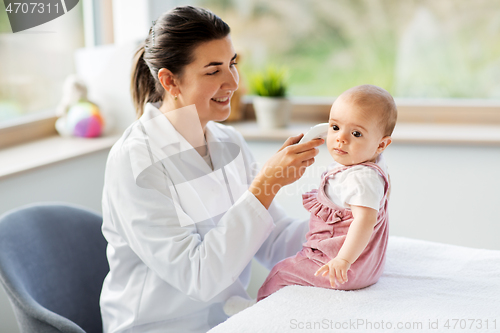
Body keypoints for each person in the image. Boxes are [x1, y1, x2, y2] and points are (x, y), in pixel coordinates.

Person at [99, 6, 323, 333]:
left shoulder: (226, 140)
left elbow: (272, 239)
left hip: (227, 319)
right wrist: (265, 185)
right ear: (170, 80)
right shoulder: (135, 160)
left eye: (232, 64)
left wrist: (340, 223)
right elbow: (200, 278)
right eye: (213, 70)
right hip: (159, 327)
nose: (233, 81)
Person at [256, 84, 397, 301]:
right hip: (367, 266)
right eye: (334, 127)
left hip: (343, 267)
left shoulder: (361, 178)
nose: (341, 139)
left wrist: (343, 260)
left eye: (356, 133)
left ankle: (254, 311)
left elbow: (365, 221)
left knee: (280, 272)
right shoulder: (372, 162)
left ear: (381, 144)